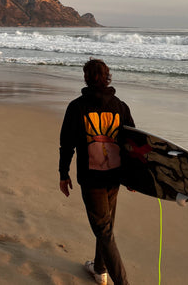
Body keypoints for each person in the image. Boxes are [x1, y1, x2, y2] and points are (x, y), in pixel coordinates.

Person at [59, 59, 135, 285]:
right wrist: (132, 176)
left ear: (85, 77)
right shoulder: (120, 107)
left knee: (105, 231)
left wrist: (63, 174)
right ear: (107, 77)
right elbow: (132, 145)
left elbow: (67, 145)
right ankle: (100, 270)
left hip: (91, 180)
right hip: (115, 177)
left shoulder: (77, 107)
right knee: (106, 228)